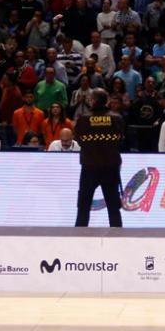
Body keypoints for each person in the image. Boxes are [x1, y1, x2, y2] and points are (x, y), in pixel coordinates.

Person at [73, 87, 124, 227]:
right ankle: (118, 236)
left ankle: (79, 235)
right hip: (110, 166)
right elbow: (121, 140)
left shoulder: (84, 119)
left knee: (84, 204)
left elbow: (78, 139)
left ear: (94, 100)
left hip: (90, 165)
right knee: (113, 205)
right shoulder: (116, 118)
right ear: (106, 101)